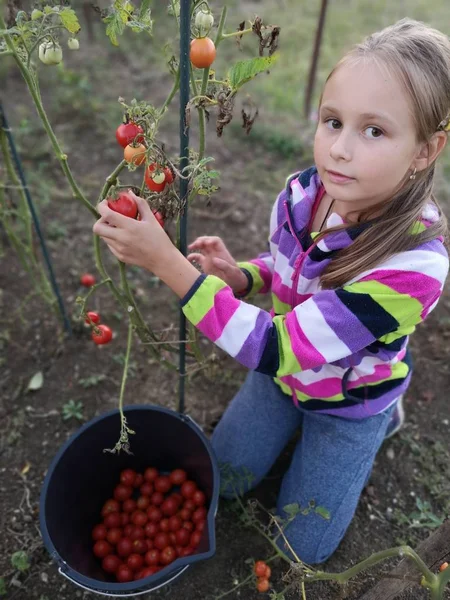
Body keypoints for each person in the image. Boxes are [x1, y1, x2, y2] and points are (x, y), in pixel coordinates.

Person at [93, 18, 450, 564]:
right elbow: (288, 267)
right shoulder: (305, 194)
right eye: (333, 122)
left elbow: (277, 347)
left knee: (298, 548)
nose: (341, 150)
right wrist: (242, 276)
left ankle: (384, 420)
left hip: (346, 401)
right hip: (285, 381)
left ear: (426, 150)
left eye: (374, 131)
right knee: (227, 477)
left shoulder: (413, 266)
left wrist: (167, 264)